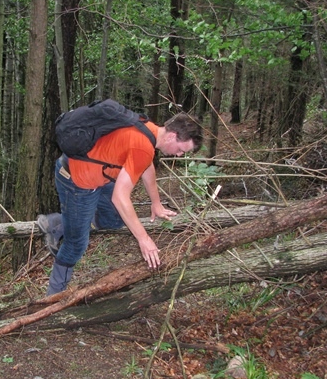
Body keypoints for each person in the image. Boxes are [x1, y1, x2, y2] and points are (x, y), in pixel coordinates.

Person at [37, 108, 203, 295]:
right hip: (76, 180)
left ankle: (61, 223)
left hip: (100, 175)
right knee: (76, 244)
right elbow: (119, 197)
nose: (179, 155)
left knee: (115, 219)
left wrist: (156, 203)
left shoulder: (149, 129)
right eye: (181, 150)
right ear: (172, 136)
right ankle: (52, 296)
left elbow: (147, 166)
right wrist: (144, 239)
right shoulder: (143, 145)